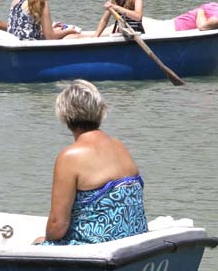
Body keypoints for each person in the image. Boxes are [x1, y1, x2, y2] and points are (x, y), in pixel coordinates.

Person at [34, 80, 148, 245]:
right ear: (100, 110)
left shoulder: (70, 156)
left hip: (100, 246)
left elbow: (57, 225)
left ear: (64, 114)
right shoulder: (119, 146)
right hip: (134, 239)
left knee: (38, 242)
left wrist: (44, 241)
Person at [142, 2, 218, 35]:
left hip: (171, 29)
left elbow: (203, 26)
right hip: (169, 24)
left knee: (133, 21)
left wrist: (200, 10)